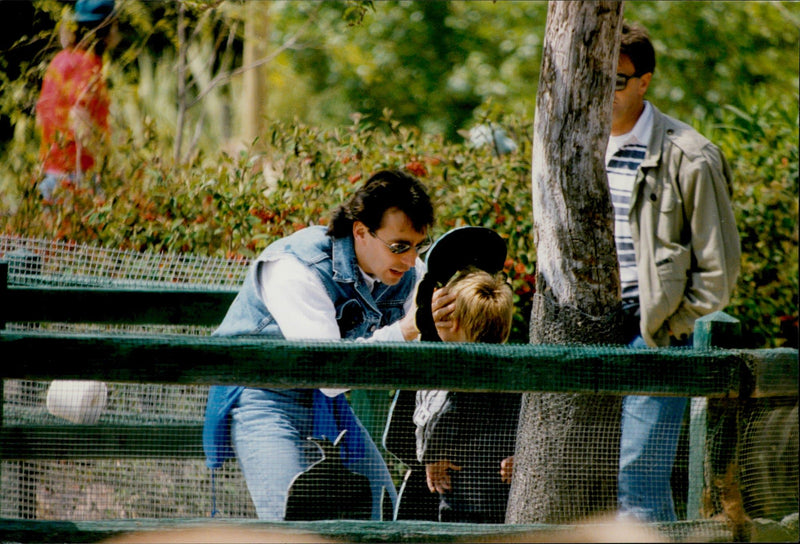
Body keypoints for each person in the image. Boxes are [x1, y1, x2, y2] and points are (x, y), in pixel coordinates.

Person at [203, 169, 440, 521]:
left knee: (385, 515)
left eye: (418, 246)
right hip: (263, 396)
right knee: (291, 522)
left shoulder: (406, 270)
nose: (410, 259)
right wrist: (406, 329)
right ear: (361, 231)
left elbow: (427, 347)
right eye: (400, 246)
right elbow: (329, 374)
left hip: (324, 405)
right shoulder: (295, 268)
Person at [607, 22, 741, 522]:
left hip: (654, 330)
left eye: (617, 80)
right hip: (582, 327)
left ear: (644, 81)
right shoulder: (568, 147)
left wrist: (671, 326)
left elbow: (718, 271)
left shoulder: (690, 155)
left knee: (638, 474)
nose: (603, 92)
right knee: (580, 470)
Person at [414, 266, 520, 523]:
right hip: (500, 497)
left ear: (455, 321)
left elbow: (434, 418)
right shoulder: (516, 371)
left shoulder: (448, 372)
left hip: (458, 496)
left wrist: (430, 455)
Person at [35, 0, 119, 201]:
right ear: (105, 29)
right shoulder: (87, 66)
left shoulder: (60, 60)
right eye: (116, 25)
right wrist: (109, 162)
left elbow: (40, 117)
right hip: (75, 178)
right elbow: (80, 120)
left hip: (51, 173)